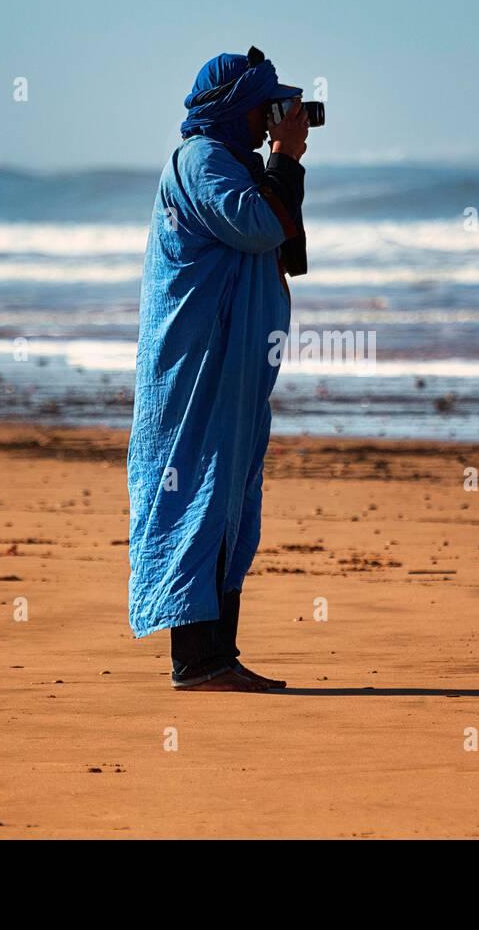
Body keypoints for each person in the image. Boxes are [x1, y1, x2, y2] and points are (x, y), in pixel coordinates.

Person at [126, 46, 310, 691]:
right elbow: (259, 226)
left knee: (230, 502)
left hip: (230, 367)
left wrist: (280, 162)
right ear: (237, 107)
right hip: (199, 365)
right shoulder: (202, 162)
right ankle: (198, 662)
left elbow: (287, 247)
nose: (272, 119)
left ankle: (217, 658)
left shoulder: (232, 163)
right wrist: (285, 159)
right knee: (195, 496)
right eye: (266, 107)